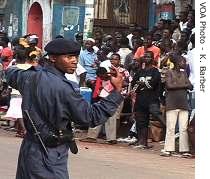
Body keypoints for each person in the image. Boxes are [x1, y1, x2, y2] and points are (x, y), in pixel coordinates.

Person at [6, 38, 124, 179]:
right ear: (53, 58)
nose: (74, 61)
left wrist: (36, 65)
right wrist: (116, 92)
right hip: (49, 152)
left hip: (30, 148)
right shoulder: (65, 89)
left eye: (75, 56)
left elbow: (11, 72)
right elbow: (90, 117)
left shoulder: (29, 76)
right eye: (69, 57)